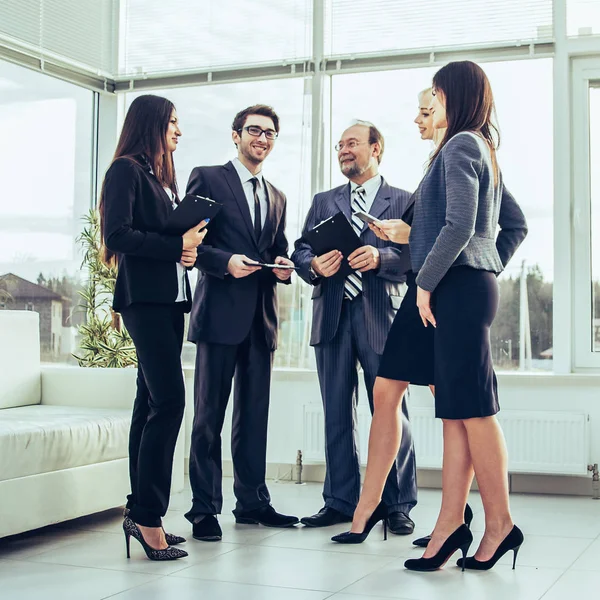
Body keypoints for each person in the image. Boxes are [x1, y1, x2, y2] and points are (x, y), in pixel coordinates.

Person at [333, 61, 528, 574]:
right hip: (455, 283)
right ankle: (449, 525)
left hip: (455, 288)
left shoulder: (464, 144)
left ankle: (499, 523)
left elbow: (465, 225)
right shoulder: (468, 146)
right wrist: (411, 237)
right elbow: (457, 224)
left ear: (453, 97)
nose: (429, 107)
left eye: (435, 97)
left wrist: (430, 280)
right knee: (457, 408)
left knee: (472, 409)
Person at [292, 121, 417, 536]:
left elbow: (416, 258)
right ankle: (340, 501)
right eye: (339, 145)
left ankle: (397, 503)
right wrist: (312, 265)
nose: (344, 150)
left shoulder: (403, 199)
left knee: (391, 411)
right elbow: (301, 248)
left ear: (376, 148)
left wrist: (381, 259)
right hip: (331, 316)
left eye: (352, 143)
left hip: (384, 319)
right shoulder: (323, 200)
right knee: (336, 414)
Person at [185, 104, 298, 542]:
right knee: (208, 418)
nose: (262, 138)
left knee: (253, 417)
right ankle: (203, 510)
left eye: (270, 133)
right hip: (218, 318)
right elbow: (192, 244)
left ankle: (251, 502)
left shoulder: (278, 197)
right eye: (254, 130)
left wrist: (284, 267)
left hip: (260, 320)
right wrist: (224, 262)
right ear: (236, 135)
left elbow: (276, 251)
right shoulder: (208, 178)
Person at [100, 94, 207, 561]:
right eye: (172, 123)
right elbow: (117, 236)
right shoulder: (125, 170)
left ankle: (142, 512)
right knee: (170, 402)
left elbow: (165, 239)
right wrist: (173, 245)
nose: (178, 132)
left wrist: (186, 249)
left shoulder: (162, 179)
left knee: (148, 406)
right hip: (143, 300)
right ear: (151, 125)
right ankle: (147, 516)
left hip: (170, 300)